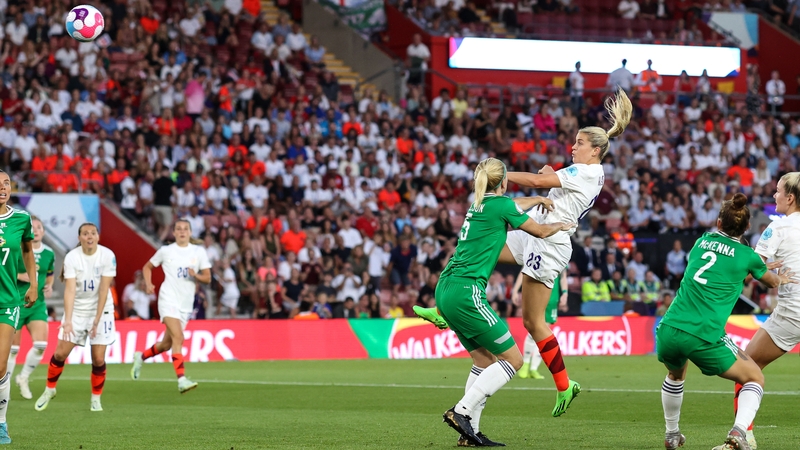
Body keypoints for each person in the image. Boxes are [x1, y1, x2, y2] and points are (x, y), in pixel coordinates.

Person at [417, 88, 632, 417]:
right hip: (536, 230)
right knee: (479, 242)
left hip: (549, 241)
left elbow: (533, 181)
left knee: (532, 321)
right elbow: (547, 183)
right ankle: (443, 310)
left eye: (579, 143)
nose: (572, 147)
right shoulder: (587, 171)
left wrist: (497, 175)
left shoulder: (585, 171)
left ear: (596, 150)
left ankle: (564, 384)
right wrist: (546, 178)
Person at [436, 157, 575, 446]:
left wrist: (536, 198)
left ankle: (469, 433)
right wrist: (561, 225)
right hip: (467, 291)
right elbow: (538, 230)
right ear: (504, 182)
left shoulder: (480, 204)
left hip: (446, 287)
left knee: (483, 360)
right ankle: (461, 411)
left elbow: (513, 204)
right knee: (513, 359)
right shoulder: (502, 206)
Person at [656, 193, 794, 450]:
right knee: (754, 378)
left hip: (669, 328)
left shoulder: (700, 242)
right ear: (747, 227)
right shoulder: (748, 256)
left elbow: (724, 260)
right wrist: (779, 278)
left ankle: (672, 434)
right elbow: (768, 279)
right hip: (704, 335)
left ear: (719, 223)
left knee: (676, 374)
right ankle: (739, 432)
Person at [715, 173, 800, 450]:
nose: (774, 196)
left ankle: (743, 437)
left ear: (790, 197)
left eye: (777, 191)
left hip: (793, 312)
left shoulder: (777, 228)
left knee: (747, 367)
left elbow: (750, 267)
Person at [35, 223, 115, 413]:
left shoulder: (107, 256)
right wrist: (68, 320)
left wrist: (96, 319)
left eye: (93, 233)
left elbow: (104, 289)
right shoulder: (72, 257)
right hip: (78, 311)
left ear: (98, 237)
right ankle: (50, 389)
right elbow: (70, 290)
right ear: (79, 238)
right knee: (60, 353)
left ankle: (96, 399)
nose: (89, 236)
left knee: (97, 359)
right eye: (85, 233)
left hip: (102, 311)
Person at [132, 220, 211, 393]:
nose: (182, 232)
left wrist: (195, 275)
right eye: (178, 229)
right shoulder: (166, 251)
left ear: (190, 232)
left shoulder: (199, 252)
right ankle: (181, 379)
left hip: (185, 304)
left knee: (166, 344)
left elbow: (208, 277)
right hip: (168, 299)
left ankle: (141, 356)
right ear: (173, 233)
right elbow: (147, 267)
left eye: (185, 229)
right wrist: (148, 283)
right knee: (179, 337)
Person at [0, 170, 37, 443]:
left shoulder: (22, 218)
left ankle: (1, 423)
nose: (3, 188)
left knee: (1, 366)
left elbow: (27, 251)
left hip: (8, 300)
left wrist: (33, 283)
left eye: (6, 183)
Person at [9, 216, 54, 400]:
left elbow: (49, 273)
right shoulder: (18, 249)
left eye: (39, 227)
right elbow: (6, 271)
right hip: (16, 301)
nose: (35, 230)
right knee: (12, 349)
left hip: (37, 304)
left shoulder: (49, 253)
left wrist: (49, 285)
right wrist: (21, 276)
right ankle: (5, 387)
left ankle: (23, 377)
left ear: (43, 231)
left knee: (41, 345)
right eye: (32, 227)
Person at [516, 269, 567, 379]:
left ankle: (534, 368)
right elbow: (524, 271)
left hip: (552, 298)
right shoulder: (537, 252)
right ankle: (526, 364)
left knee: (544, 330)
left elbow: (563, 277)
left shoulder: (560, 253)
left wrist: (565, 293)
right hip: (537, 295)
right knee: (534, 329)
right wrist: (516, 290)